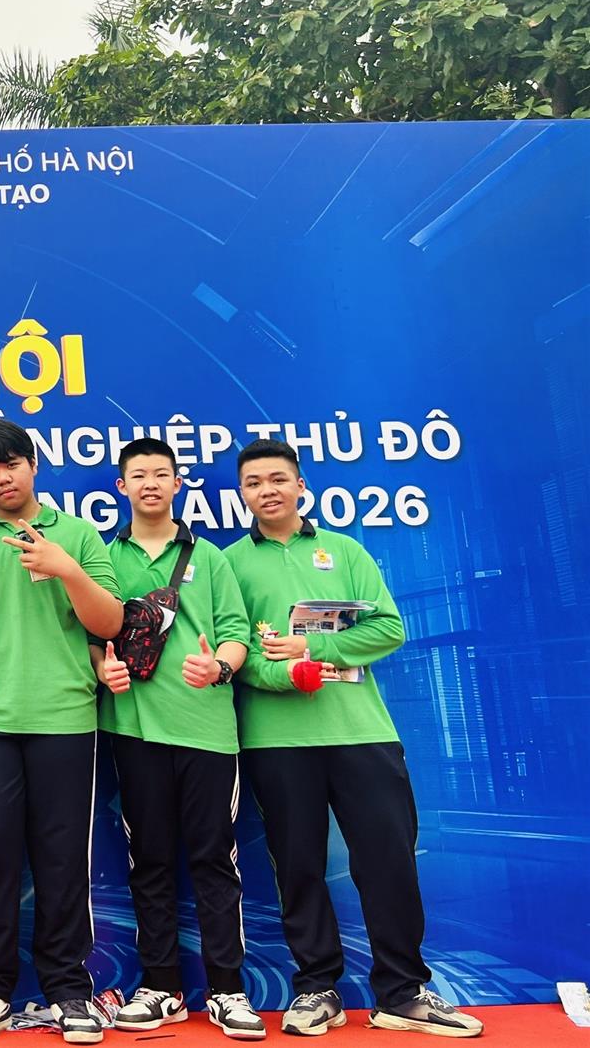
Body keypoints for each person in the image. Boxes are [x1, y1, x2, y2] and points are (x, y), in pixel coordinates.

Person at [225, 440, 483, 1039]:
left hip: (362, 733)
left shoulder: (344, 550)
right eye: (254, 483)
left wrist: (314, 647)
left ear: (300, 485)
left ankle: (402, 991)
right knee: (298, 868)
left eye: (278, 479)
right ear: (242, 494)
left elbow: (388, 628)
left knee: (388, 860)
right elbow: (234, 650)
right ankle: (317, 988)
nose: (267, 490)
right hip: (276, 740)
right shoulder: (229, 563)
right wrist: (287, 673)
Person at [0, 418, 122, 1047]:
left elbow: (111, 622)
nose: (2, 479)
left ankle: (68, 988)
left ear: (33, 465)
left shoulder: (78, 534)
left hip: (65, 719)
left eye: (11, 464)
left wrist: (66, 568)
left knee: (62, 859)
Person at [93, 439, 264, 1040]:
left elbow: (238, 633)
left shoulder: (209, 557)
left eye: (161, 474)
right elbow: (89, 634)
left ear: (176, 483)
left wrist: (219, 666)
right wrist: (101, 670)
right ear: (121, 486)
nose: (150, 484)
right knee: (150, 861)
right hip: (134, 731)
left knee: (215, 860)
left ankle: (228, 989)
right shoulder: (104, 557)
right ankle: (160, 986)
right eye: (138, 475)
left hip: (207, 731)